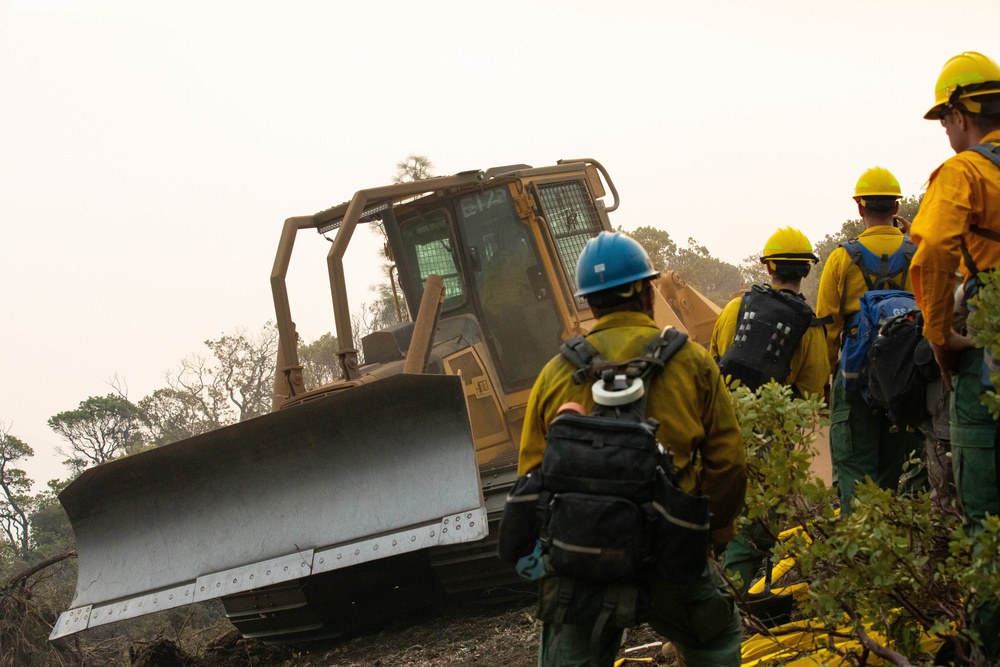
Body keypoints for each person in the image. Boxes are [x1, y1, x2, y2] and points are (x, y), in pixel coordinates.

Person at [518, 231, 747, 667]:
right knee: (714, 642)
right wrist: (710, 535)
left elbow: (532, 475)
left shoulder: (553, 374)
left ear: (588, 302)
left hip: (583, 556)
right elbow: (729, 463)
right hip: (672, 545)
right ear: (647, 292)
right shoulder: (692, 361)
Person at [908, 51, 1000, 664]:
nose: (946, 129)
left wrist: (940, 336)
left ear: (962, 115)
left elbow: (936, 248)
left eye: (946, 118)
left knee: (989, 527)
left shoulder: (963, 172)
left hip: (986, 353)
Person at [710, 227, 829, 591]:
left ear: (768, 267)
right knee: (760, 518)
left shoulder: (734, 309)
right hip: (771, 436)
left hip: (723, 426)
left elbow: (716, 355)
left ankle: (717, 586)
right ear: (806, 271)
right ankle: (737, 592)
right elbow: (812, 390)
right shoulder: (808, 325)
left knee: (723, 509)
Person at [815, 166, 925, 514]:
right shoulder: (917, 252)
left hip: (855, 373)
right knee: (901, 464)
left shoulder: (842, 258)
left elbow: (828, 327)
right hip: (908, 374)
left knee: (853, 467)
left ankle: (860, 553)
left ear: (860, 208)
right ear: (896, 208)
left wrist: (827, 380)